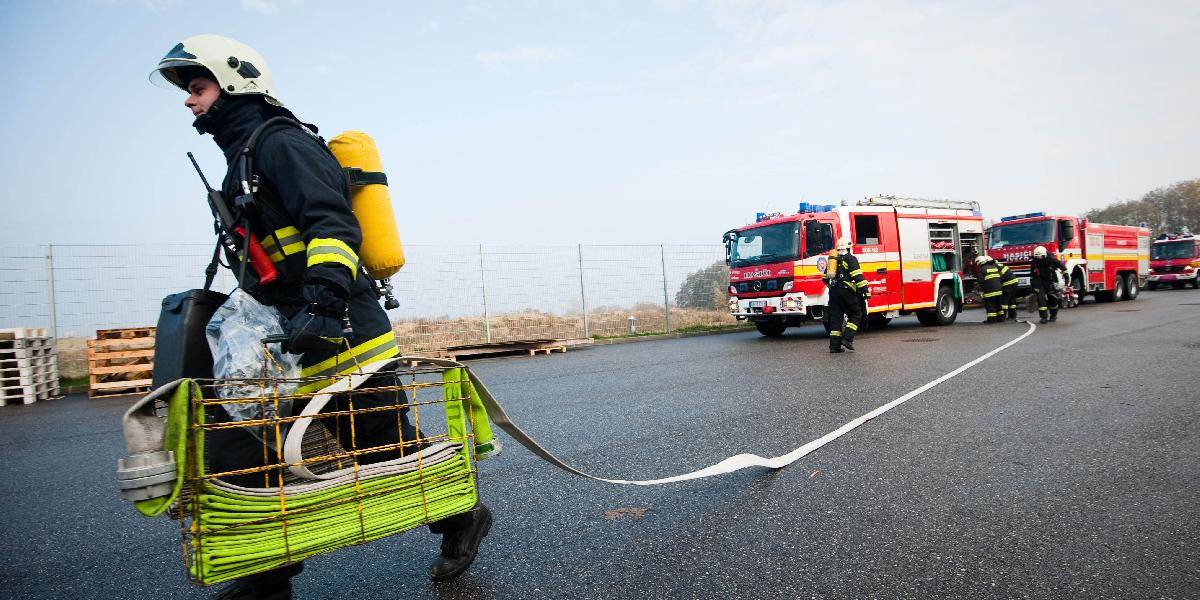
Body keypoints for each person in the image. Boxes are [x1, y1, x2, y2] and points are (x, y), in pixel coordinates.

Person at [151, 35, 491, 599]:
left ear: (233, 81)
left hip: (341, 329)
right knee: (243, 446)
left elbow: (332, 226)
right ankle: (266, 575)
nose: (189, 102)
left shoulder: (281, 144)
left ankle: (460, 517)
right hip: (284, 335)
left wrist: (323, 304)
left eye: (197, 87)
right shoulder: (243, 158)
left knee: (380, 444)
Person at [823, 238, 870, 353]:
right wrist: (866, 291)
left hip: (833, 292)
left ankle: (834, 347)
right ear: (848, 248)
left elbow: (825, 279)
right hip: (845, 292)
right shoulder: (850, 258)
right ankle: (847, 339)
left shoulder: (833, 261)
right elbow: (857, 276)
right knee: (856, 313)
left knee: (836, 318)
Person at [1030, 245, 1068, 323]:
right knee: (1041, 299)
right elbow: (1032, 274)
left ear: (1044, 254)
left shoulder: (1051, 259)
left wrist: (1066, 277)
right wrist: (1034, 285)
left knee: (1053, 299)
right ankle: (1043, 317)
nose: (1038, 258)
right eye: (1037, 256)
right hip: (1040, 282)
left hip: (1051, 281)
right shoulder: (1034, 261)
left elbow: (1063, 267)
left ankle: (1053, 316)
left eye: (1040, 256)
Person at [976, 255, 1004, 323]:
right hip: (999, 290)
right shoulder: (994, 267)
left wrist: (981, 290)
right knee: (998, 305)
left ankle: (991, 320)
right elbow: (1001, 278)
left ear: (980, 263)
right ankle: (1000, 318)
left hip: (990, 291)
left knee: (990, 305)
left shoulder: (982, 270)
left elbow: (981, 281)